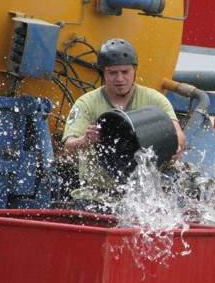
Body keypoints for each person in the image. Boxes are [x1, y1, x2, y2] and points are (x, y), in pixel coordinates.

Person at [62, 38, 187, 206]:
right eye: (113, 72)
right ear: (103, 73)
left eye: (125, 71)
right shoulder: (86, 104)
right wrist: (84, 140)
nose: (120, 78)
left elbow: (179, 135)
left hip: (145, 195)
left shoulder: (154, 99)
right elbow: (68, 148)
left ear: (135, 70)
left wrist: (175, 148)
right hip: (98, 195)